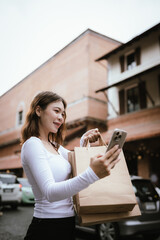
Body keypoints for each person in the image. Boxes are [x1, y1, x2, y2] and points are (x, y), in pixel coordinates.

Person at [21, 91, 121, 240]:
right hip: (47, 227)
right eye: (56, 111)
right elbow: (50, 192)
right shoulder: (33, 144)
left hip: (67, 223)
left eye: (63, 114)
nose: (61, 117)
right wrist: (93, 174)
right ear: (38, 110)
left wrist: (83, 142)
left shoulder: (55, 146)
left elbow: (75, 161)